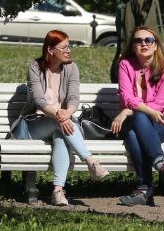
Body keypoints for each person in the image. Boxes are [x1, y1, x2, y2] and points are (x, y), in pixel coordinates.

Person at [16, 30, 109, 206]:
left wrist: (68, 112)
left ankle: (58, 191)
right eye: (64, 47)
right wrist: (60, 115)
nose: (69, 50)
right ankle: (91, 161)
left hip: (61, 124)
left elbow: (73, 98)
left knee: (61, 139)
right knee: (59, 124)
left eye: (69, 46)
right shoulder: (35, 67)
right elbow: (39, 101)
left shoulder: (71, 68)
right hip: (34, 124)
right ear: (50, 50)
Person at [110, 25, 164, 206]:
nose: (144, 43)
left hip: (163, 123)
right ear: (132, 46)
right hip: (132, 124)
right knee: (136, 125)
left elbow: (160, 104)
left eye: (149, 40)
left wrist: (127, 110)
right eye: (138, 40)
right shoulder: (125, 65)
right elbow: (126, 96)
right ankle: (160, 163)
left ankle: (144, 189)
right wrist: (135, 109)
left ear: (156, 45)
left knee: (137, 124)